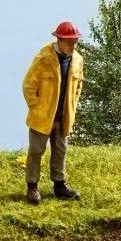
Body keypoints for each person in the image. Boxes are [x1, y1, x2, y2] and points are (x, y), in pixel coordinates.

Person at [21, 21, 85, 204]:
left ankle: (59, 185)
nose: (73, 45)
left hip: (63, 116)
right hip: (43, 117)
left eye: (75, 41)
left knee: (60, 150)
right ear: (60, 40)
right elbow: (28, 85)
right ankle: (32, 186)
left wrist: (72, 105)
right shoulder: (44, 58)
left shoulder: (78, 59)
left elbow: (79, 85)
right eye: (70, 42)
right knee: (36, 151)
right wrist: (36, 108)